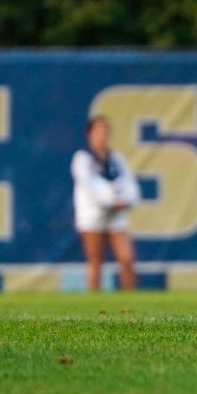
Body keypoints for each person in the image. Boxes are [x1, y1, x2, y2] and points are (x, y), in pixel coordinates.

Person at [71, 115, 141, 291]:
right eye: (99, 130)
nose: (103, 135)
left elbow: (129, 183)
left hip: (116, 216)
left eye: (106, 131)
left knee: (126, 258)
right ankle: (95, 303)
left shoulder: (116, 159)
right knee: (96, 259)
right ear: (90, 134)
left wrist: (128, 200)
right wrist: (111, 201)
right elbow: (89, 187)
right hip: (93, 216)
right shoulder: (83, 159)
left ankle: (131, 302)